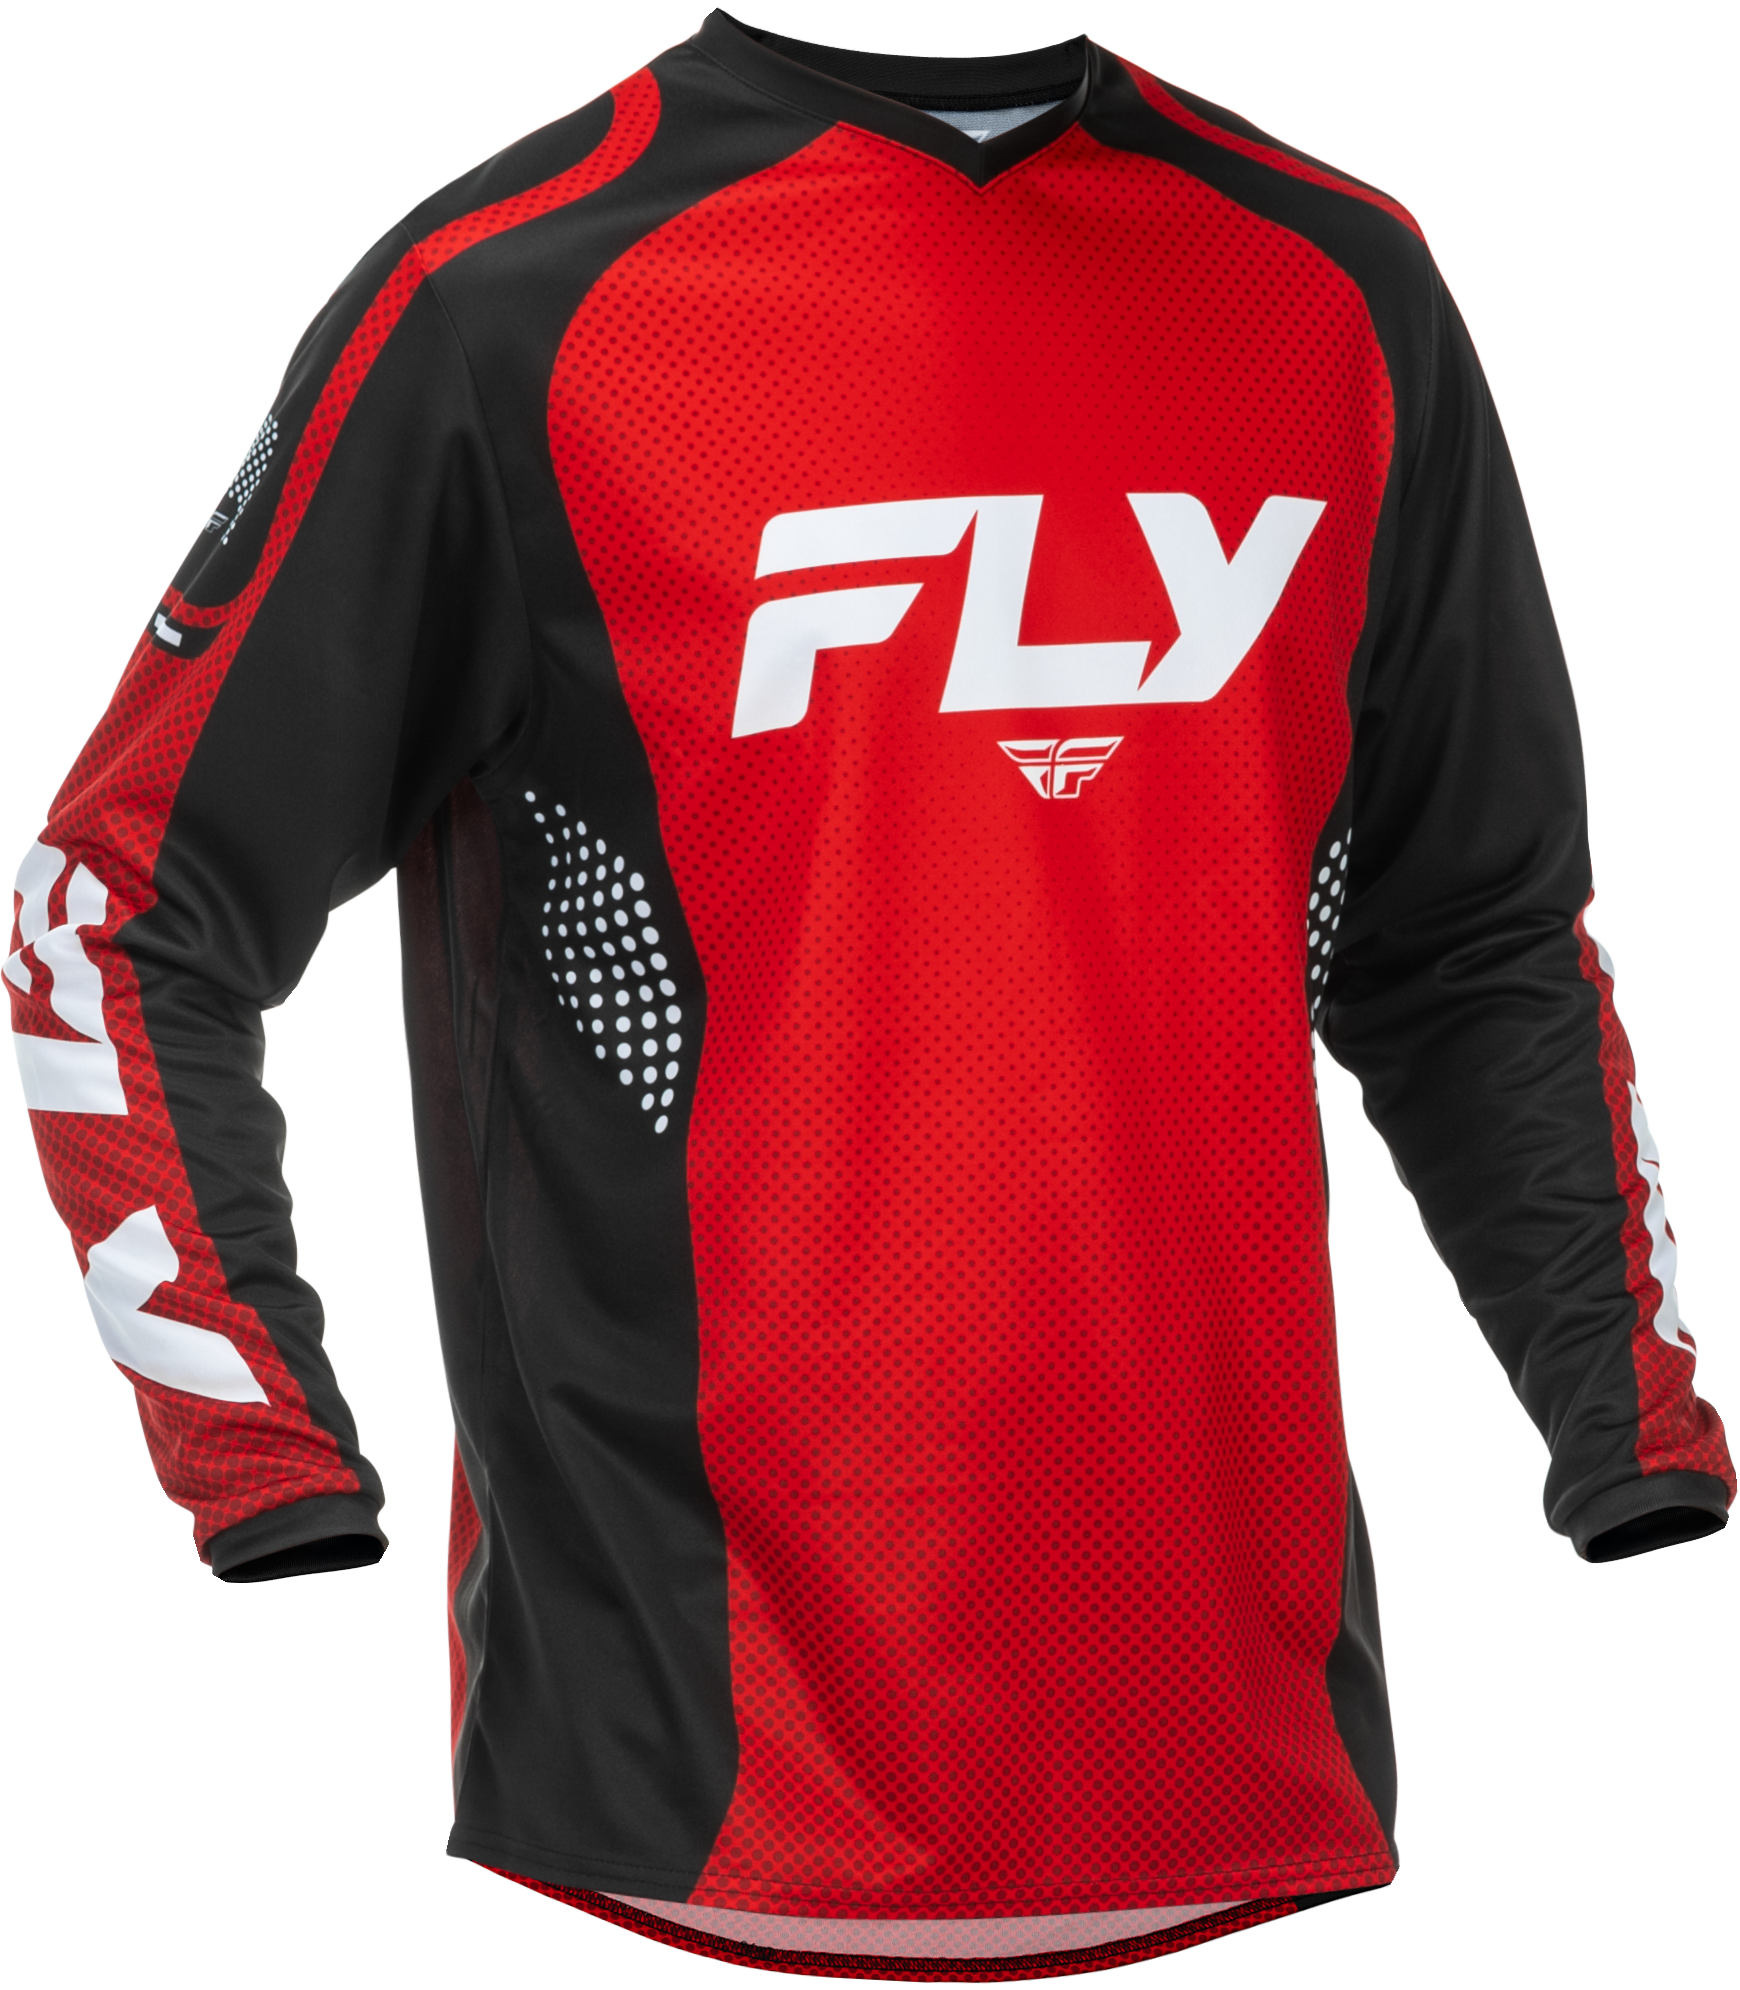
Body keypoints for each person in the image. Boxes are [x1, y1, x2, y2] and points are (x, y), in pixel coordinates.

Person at [7, 4, 1731, 1973]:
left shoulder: (1338, 288)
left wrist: (1637, 1446)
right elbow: (123, 905)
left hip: (1239, 1767)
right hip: (684, 1783)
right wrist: (266, 1467)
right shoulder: (508, 298)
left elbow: (1476, 938)